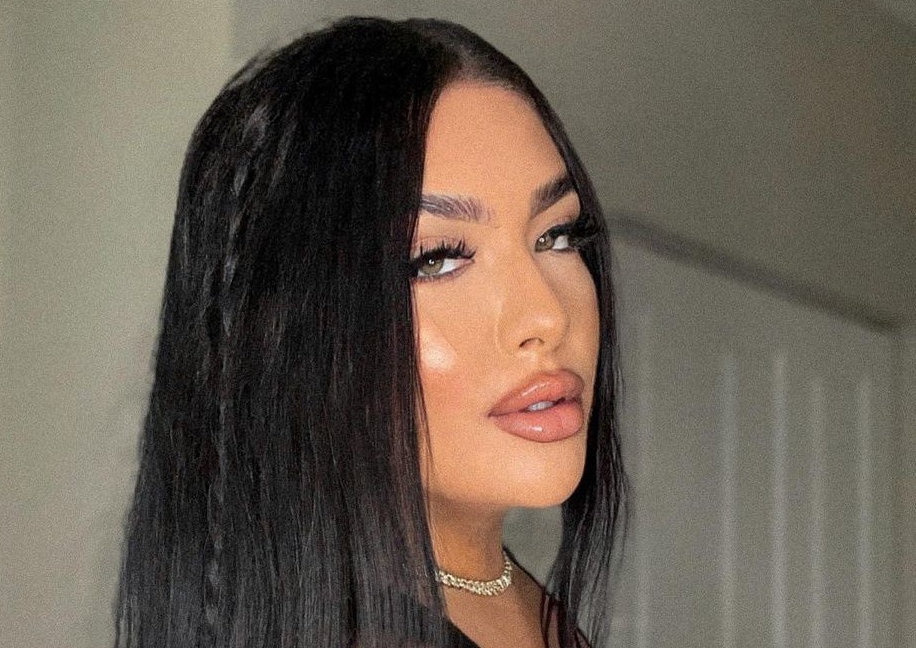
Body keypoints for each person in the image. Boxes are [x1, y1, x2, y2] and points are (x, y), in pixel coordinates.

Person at [115, 16, 625, 648]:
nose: (546, 316)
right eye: (437, 258)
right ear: (286, 331)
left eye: (556, 235)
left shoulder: (503, 598)